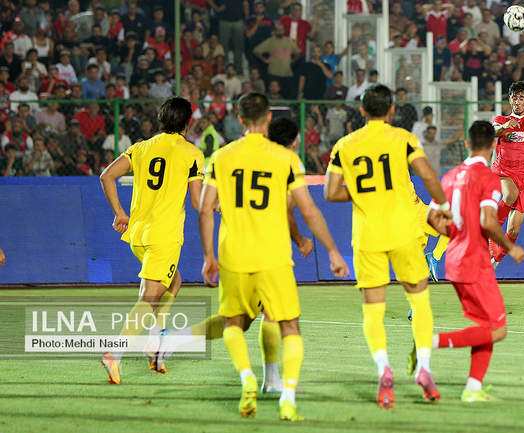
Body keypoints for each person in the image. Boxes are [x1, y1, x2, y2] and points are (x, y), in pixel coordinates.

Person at [198, 92, 348, 420]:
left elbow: (205, 209)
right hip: (274, 255)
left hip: (233, 254)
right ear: (268, 118)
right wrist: (333, 251)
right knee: (290, 325)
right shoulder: (286, 159)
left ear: (239, 119)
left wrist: (209, 255)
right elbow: (307, 210)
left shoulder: (220, 157)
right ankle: (287, 395)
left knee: (233, 323)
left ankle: (247, 378)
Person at [154, 117, 315, 396]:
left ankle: (175, 340)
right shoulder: (281, 163)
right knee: (264, 316)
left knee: (243, 319)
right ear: (291, 143)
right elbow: (288, 211)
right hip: (265, 251)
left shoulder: (236, 158)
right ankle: (270, 379)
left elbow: (211, 203)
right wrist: (300, 240)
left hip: (237, 250)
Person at [325, 84, 451, 409]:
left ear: (361, 111)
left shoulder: (344, 145)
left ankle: (384, 369)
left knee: (373, 309)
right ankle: (424, 368)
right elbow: (428, 175)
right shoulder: (403, 139)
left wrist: (361, 193)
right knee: (420, 300)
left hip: (368, 236)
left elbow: (330, 192)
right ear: (392, 110)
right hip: (404, 231)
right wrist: (443, 205)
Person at [98, 97, 205, 385]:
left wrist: (120, 213)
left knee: (174, 282)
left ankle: (154, 342)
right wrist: (218, 204)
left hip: (138, 235)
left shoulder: (141, 147)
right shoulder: (192, 153)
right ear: (188, 122)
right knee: (149, 298)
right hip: (163, 237)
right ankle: (115, 353)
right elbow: (198, 202)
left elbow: (106, 176)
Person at [426, 120, 524, 402]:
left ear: (467, 144)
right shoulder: (489, 178)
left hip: (454, 262)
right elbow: (488, 221)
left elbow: (431, 217)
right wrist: (511, 248)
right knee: (498, 330)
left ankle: (473, 388)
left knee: (484, 327)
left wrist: (454, 232)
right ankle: (429, 342)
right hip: (475, 261)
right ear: (494, 144)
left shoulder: (449, 177)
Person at [489, 81, 524, 268]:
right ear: (509, 100)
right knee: (510, 194)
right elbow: (493, 131)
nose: (517, 101)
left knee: (514, 230)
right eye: (514, 98)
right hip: (504, 170)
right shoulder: (501, 119)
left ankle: (495, 260)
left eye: (522, 98)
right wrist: (505, 127)